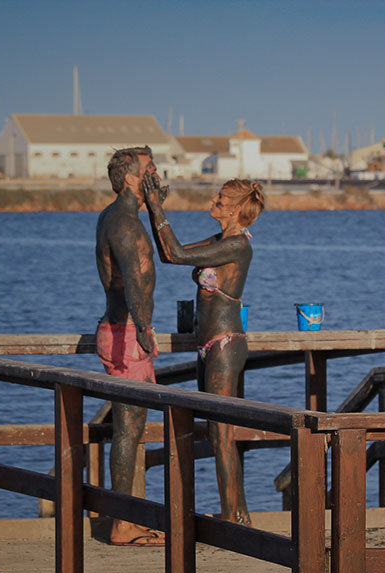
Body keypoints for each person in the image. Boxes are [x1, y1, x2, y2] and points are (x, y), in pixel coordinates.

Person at [143, 176, 264, 526]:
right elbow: (169, 255)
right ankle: (239, 515)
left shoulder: (239, 246)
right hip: (206, 346)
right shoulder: (219, 241)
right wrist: (153, 211)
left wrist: (157, 207)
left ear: (238, 208)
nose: (215, 200)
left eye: (222, 197)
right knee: (216, 435)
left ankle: (233, 520)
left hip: (226, 344)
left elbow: (177, 253)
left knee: (223, 437)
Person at [95, 146, 164, 546]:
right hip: (125, 333)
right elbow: (134, 281)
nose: (157, 174)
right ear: (131, 179)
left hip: (121, 329)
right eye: (150, 169)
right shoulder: (124, 224)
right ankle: (121, 523)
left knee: (133, 427)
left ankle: (125, 516)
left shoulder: (118, 215)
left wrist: (156, 209)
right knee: (128, 426)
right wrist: (142, 329)